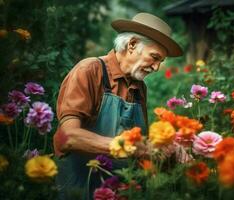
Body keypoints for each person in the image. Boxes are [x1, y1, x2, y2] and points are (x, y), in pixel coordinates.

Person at [53, 12, 183, 199]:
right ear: (132, 45)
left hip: (121, 192)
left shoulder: (139, 88)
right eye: (154, 57)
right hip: (81, 189)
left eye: (160, 62)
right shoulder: (90, 70)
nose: (156, 67)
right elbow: (67, 137)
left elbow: (141, 147)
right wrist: (130, 146)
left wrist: (167, 150)